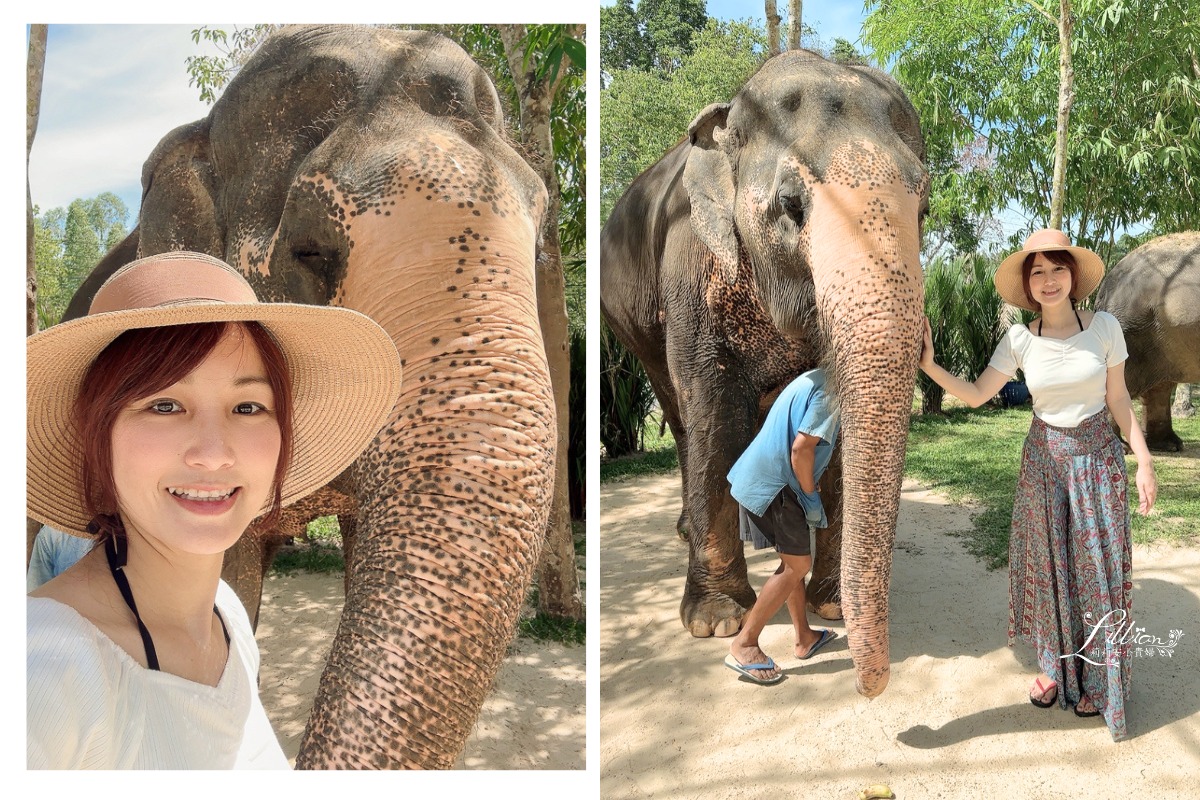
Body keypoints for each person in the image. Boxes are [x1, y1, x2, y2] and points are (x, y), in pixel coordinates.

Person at [26, 251, 402, 768]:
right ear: (97, 437)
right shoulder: (40, 670)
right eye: (163, 405)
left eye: (248, 407)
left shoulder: (227, 618)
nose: (213, 452)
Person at [918, 228, 1156, 741]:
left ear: (1074, 277)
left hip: (1097, 461)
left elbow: (1118, 400)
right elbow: (980, 394)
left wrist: (1143, 460)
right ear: (1029, 285)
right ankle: (1054, 665)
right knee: (1049, 567)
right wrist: (930, 365)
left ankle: (1097, 676)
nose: (1049, 280)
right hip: (1044, 465)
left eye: (1058, 268)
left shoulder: (1105, 328)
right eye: (1038, 272)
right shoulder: (1020, 340)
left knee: (1096, 571)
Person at [724, 368, 841, 684]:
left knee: (791, 561)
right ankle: (745, 643)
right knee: (798, 565)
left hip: (762, 477)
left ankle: (804, 637)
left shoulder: (817, 376)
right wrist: (810, 494)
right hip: (779, 485)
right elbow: (801, 449)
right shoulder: (833, 391)